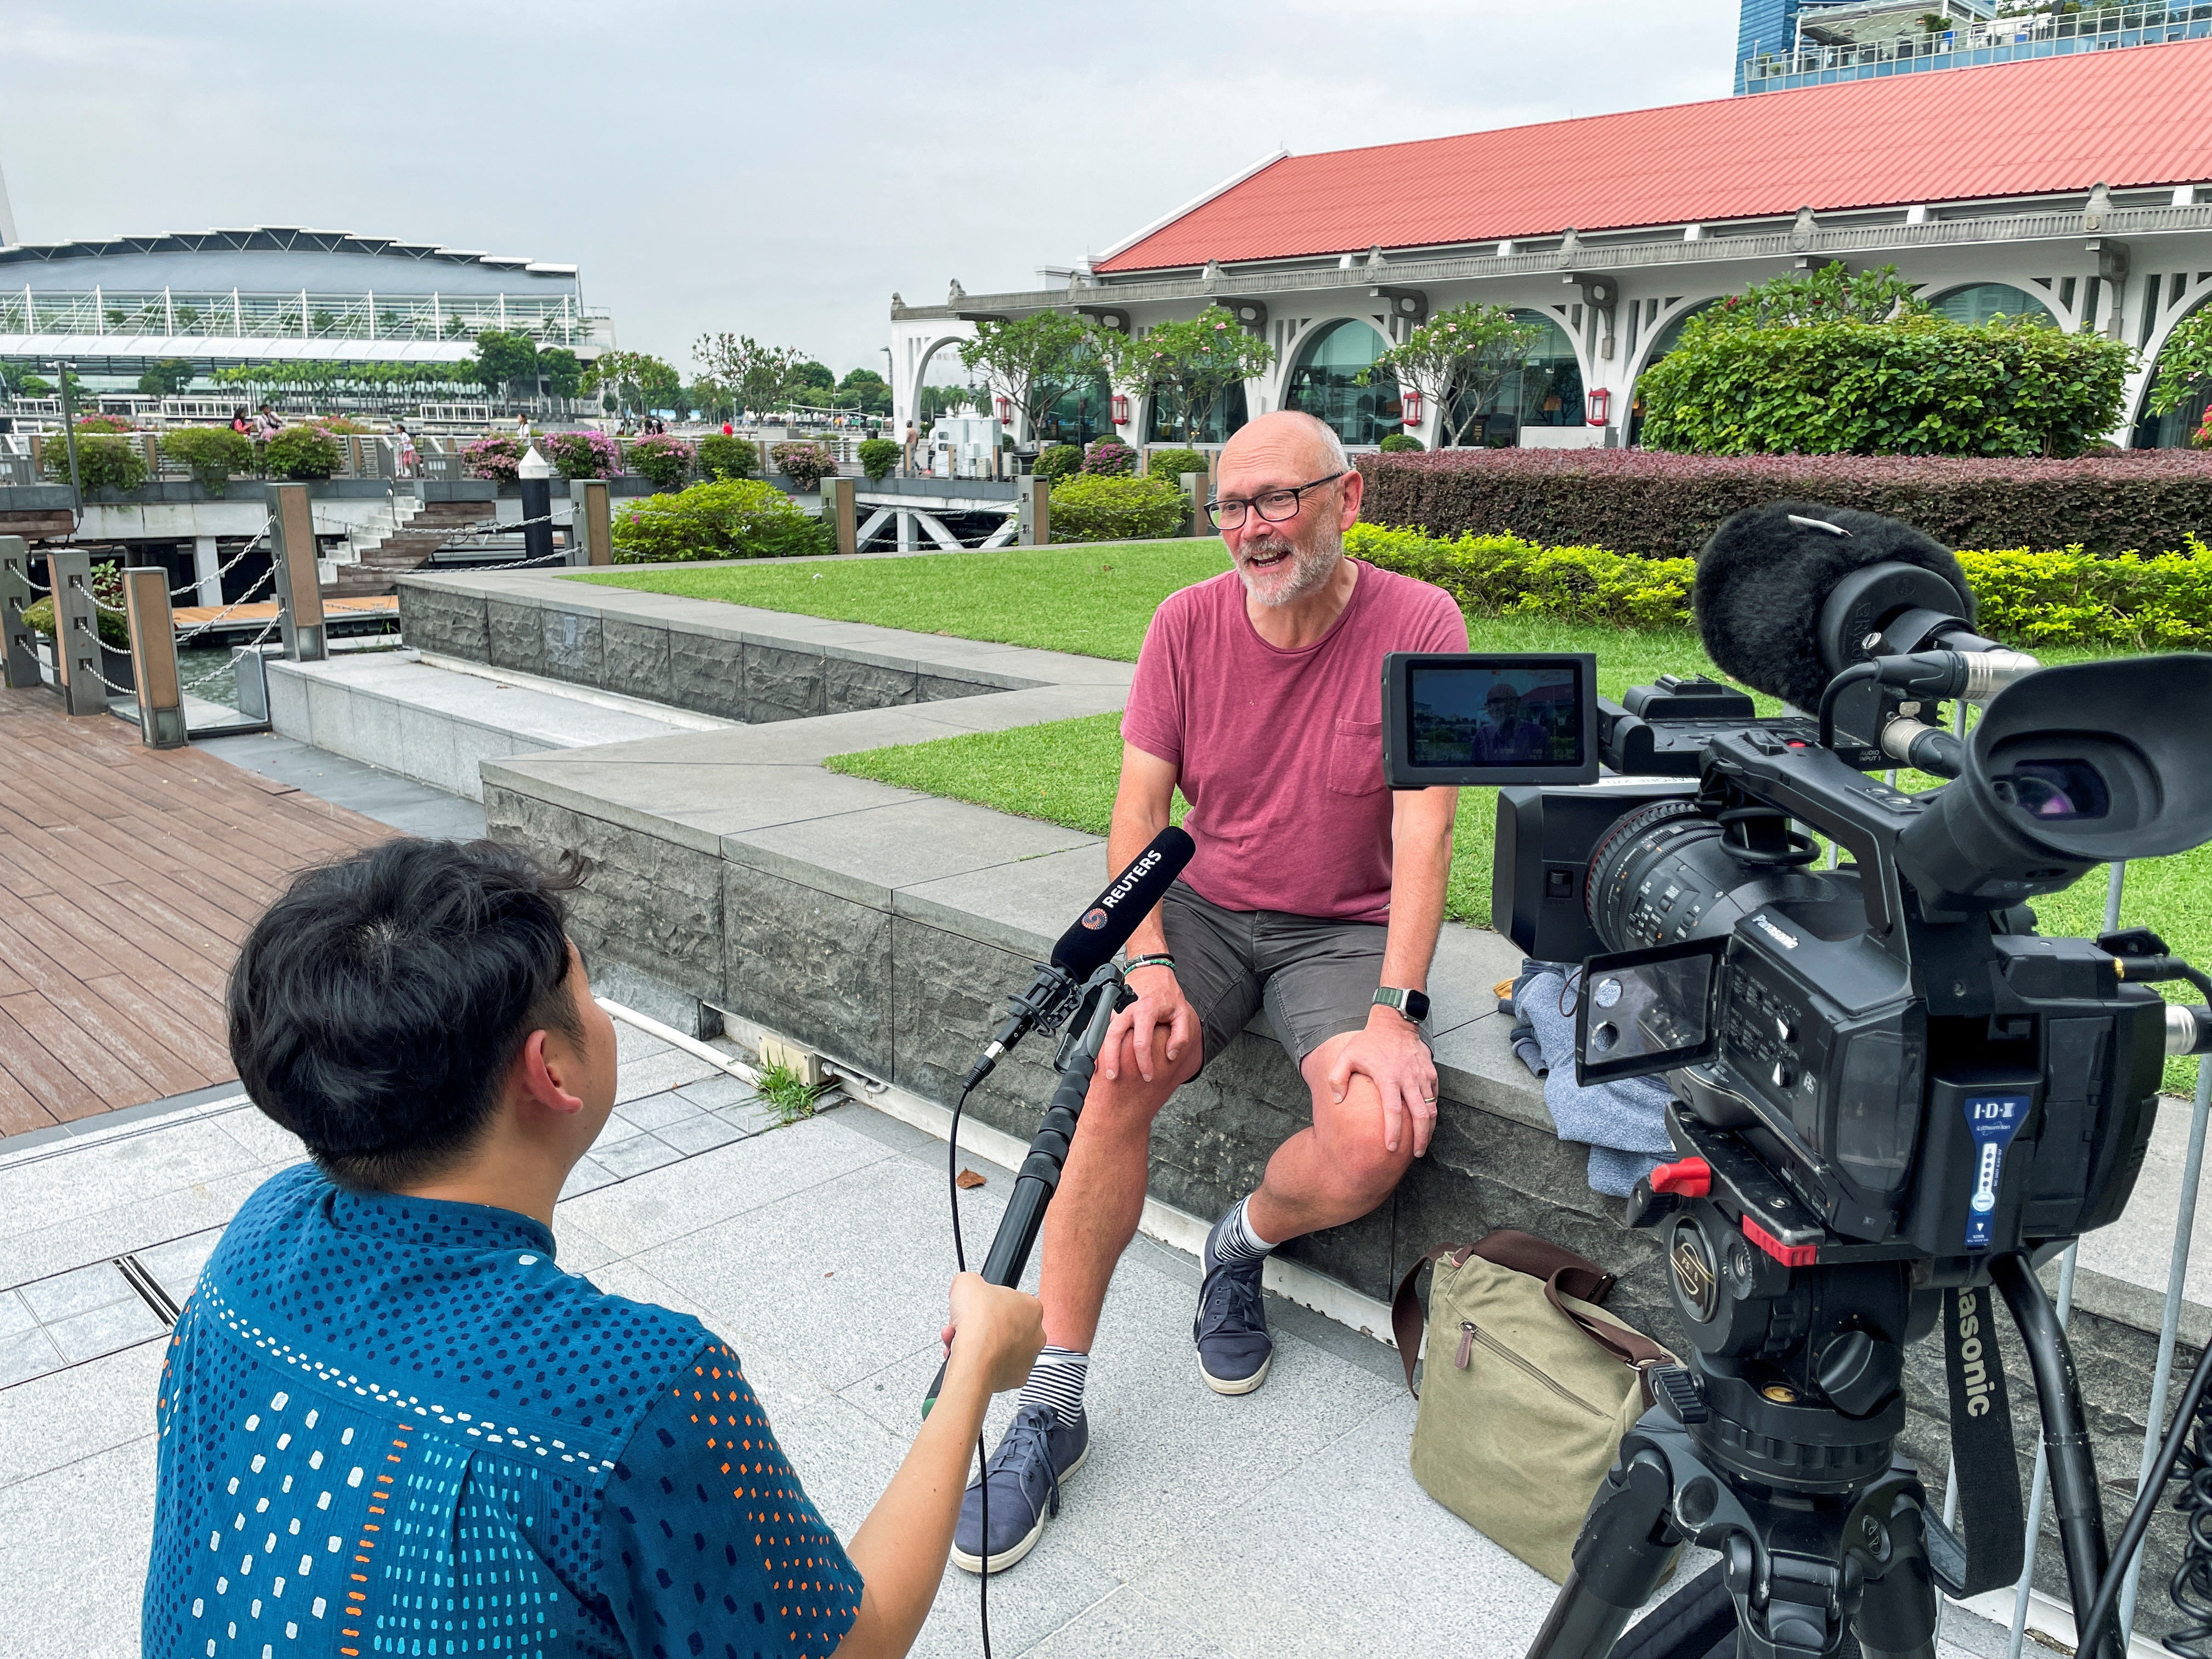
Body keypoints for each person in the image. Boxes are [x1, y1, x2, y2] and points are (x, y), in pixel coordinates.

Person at [143, 838, 1045, 1658]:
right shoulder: (627, 1389)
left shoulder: (255, 1242)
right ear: (550, 1068)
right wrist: (971, 1374)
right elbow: (852, 1643)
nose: (598, 1009)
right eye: (589, 986)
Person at [952, 409, 1467, 1574]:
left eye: (1279, 499)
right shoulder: (1184, 624)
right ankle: (1053, 1401)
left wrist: (1396, 1011)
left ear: (1351, 497)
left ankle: (1237, 1245)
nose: (1252, 529)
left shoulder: (1422, 624)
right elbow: (1138, 819)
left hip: (1342, 930)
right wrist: (1146, 969)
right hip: (1202, 911)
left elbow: (1426, 831)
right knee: (1117, 1070)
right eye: (1233, 506)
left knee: (1380, 1133)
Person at [1470, 679, 1550, 765]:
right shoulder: (1482, 736)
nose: (1495, 708)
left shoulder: (1538, 733)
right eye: (1490, 704)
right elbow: (1475, 770)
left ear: (1516, 704)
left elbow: (1545, 771)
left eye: (1499, 702)